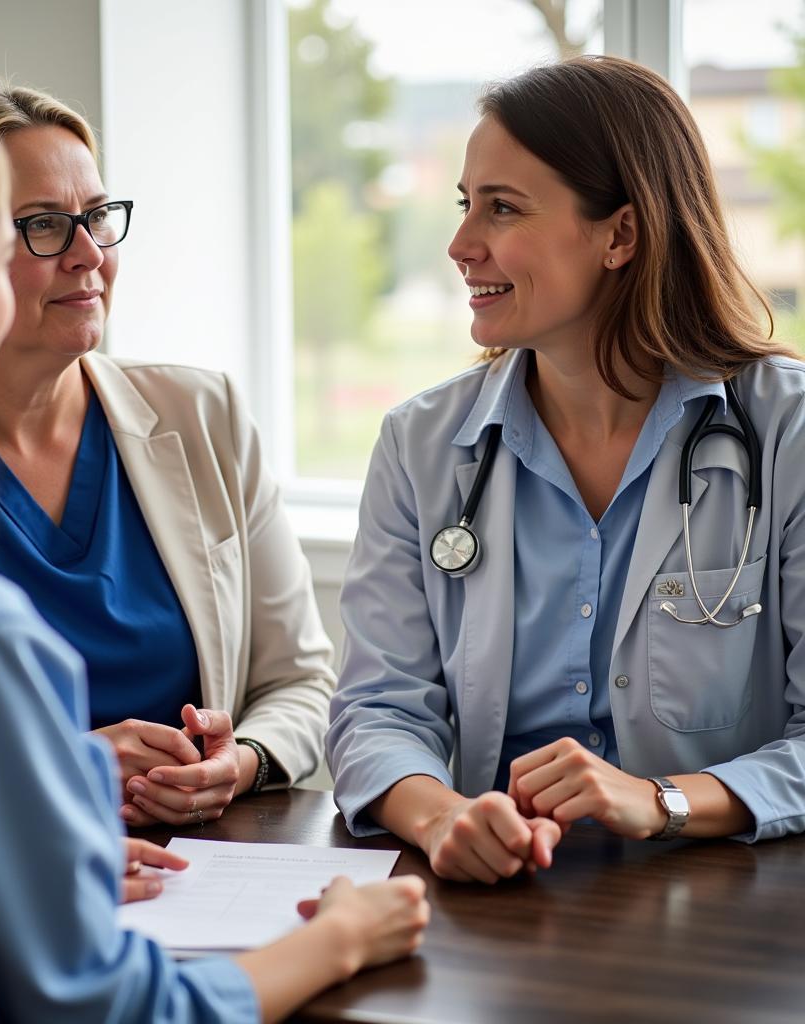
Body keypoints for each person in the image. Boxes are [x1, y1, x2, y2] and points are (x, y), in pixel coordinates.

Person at [0, 85, 428, 1023]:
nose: (86, 255)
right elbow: (105, 1006)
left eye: (96, 219)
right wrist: (339, 938)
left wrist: (45, 827)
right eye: (26, 237)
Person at [328, 55, 805, 885]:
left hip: (720, 907)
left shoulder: (786, 433)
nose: (460, 244)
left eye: (502, 208)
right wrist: (444, 819)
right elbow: (377, 710)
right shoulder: (421, 443)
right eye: (465, 204)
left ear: (621, 234)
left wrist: (661, 801)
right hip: (494, 898)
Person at [0, 76, 334, 828]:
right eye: (44, 225)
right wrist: (71, 769)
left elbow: (303, 682)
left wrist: (238, 760)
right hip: (3, 874)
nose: (89, 254)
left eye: (97, 217)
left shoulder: (201, 414)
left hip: (205, 862)